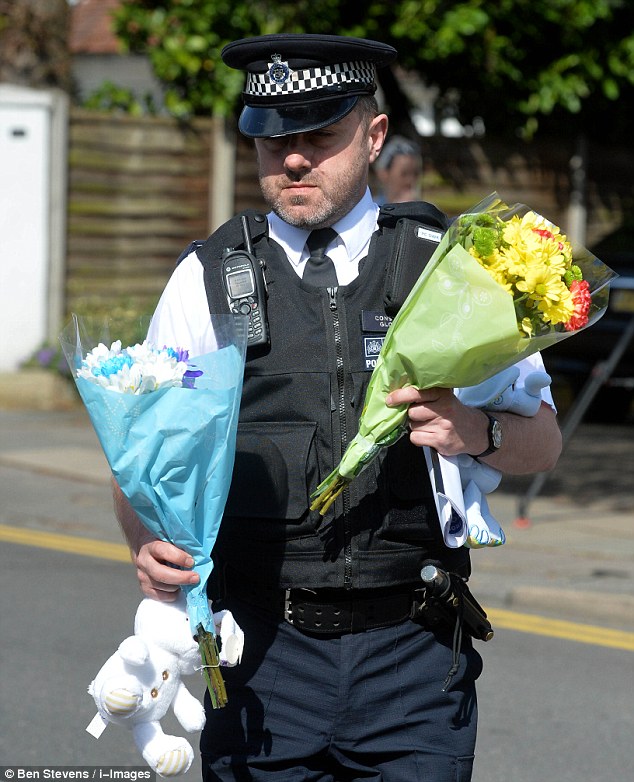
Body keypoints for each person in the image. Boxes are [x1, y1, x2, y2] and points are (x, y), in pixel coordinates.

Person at [113, 33, 562, 781]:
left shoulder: (449, 268)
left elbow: (542, 443)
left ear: (374, 135)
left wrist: (472, 430)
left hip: (412, 661)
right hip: (259, 659)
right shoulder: (206, 279)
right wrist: (146, 543)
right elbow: (147, 466)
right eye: (270, 139)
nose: (292, 159)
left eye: (319, 136)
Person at [373, 134, 423, 204]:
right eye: (404, 174)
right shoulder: (371, 210)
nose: (410, 180)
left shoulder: (427, 211)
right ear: (383, 173)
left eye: (416, 174)